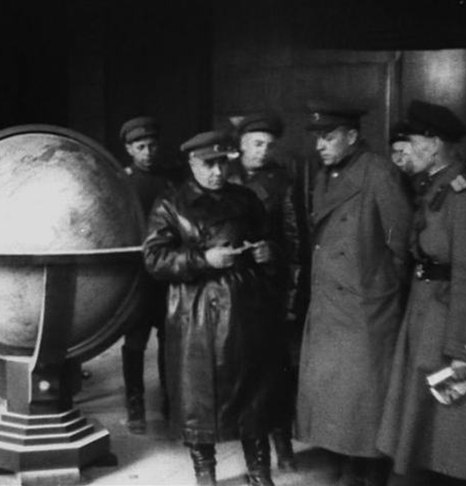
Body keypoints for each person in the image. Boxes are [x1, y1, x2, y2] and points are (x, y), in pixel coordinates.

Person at [144, 130, 284, 486]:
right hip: (197, 315)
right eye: (209, 164)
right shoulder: (171, 204)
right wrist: (202, 258)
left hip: (247, 309)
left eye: (222, 163)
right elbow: (155, 259)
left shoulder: (247, 199)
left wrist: (268, 253)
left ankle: (258, 470)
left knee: (254, 392)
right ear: (192, 163)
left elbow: (269, 240)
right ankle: (205, 473)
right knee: (199, 399)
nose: (217, 172)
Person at [295, 102, 413, 486]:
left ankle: (369, 468)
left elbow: (402, 242)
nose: (320, 146)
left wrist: (379, 288)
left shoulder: (379, 173)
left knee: (365, 395)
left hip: (366, 306)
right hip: (332, 302)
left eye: (328, 138)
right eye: (317, 138)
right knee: (340, 395)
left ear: (351, 136)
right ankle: (347, 463)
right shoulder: (325, 176)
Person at [377, 101, 466, 486]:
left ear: (435, 143)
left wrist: (464, 350)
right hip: (426, 312)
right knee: (420, 422)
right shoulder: (435, 187)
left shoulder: (464, 196)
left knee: (447, 429)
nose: (406, 149)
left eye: (413, 140)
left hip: (446, 320)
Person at [228, 112, 300, 471]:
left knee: (274, 370)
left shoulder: (283, 182)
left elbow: (295, 239)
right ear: (241, 145)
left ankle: (282, 441)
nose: (263, 151)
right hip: (229, 289)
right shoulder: (222, 177)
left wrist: (276, 252)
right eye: (257, 144)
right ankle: (248, 450)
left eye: (269, 145)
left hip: (267, 289)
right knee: (238, 368)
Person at [118, 116, 173, 433]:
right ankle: (135, 406)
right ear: (129, 149)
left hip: (166, 277)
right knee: (135, 344)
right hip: (138, 279)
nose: (148, 152)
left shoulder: (171, 182)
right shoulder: (122, 184)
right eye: (141, 146)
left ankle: (170, 402)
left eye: (152, 145)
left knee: (170, 342)